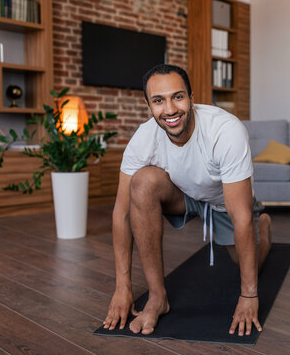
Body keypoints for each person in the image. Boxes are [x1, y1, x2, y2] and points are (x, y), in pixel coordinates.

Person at [102, 64, 272, 337]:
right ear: (149, 105)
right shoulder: (143, 138)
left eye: (177, 97)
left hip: (223, 202)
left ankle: (263, 227)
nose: (170, 109)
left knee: (249, 264)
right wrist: (122, 287)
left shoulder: (225, 130)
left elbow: (239, 216)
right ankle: (159, 298)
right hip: (184, 196)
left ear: (192, 98)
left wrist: (249, 295)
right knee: (143, 182)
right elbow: (121, 213)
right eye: (158, 101)